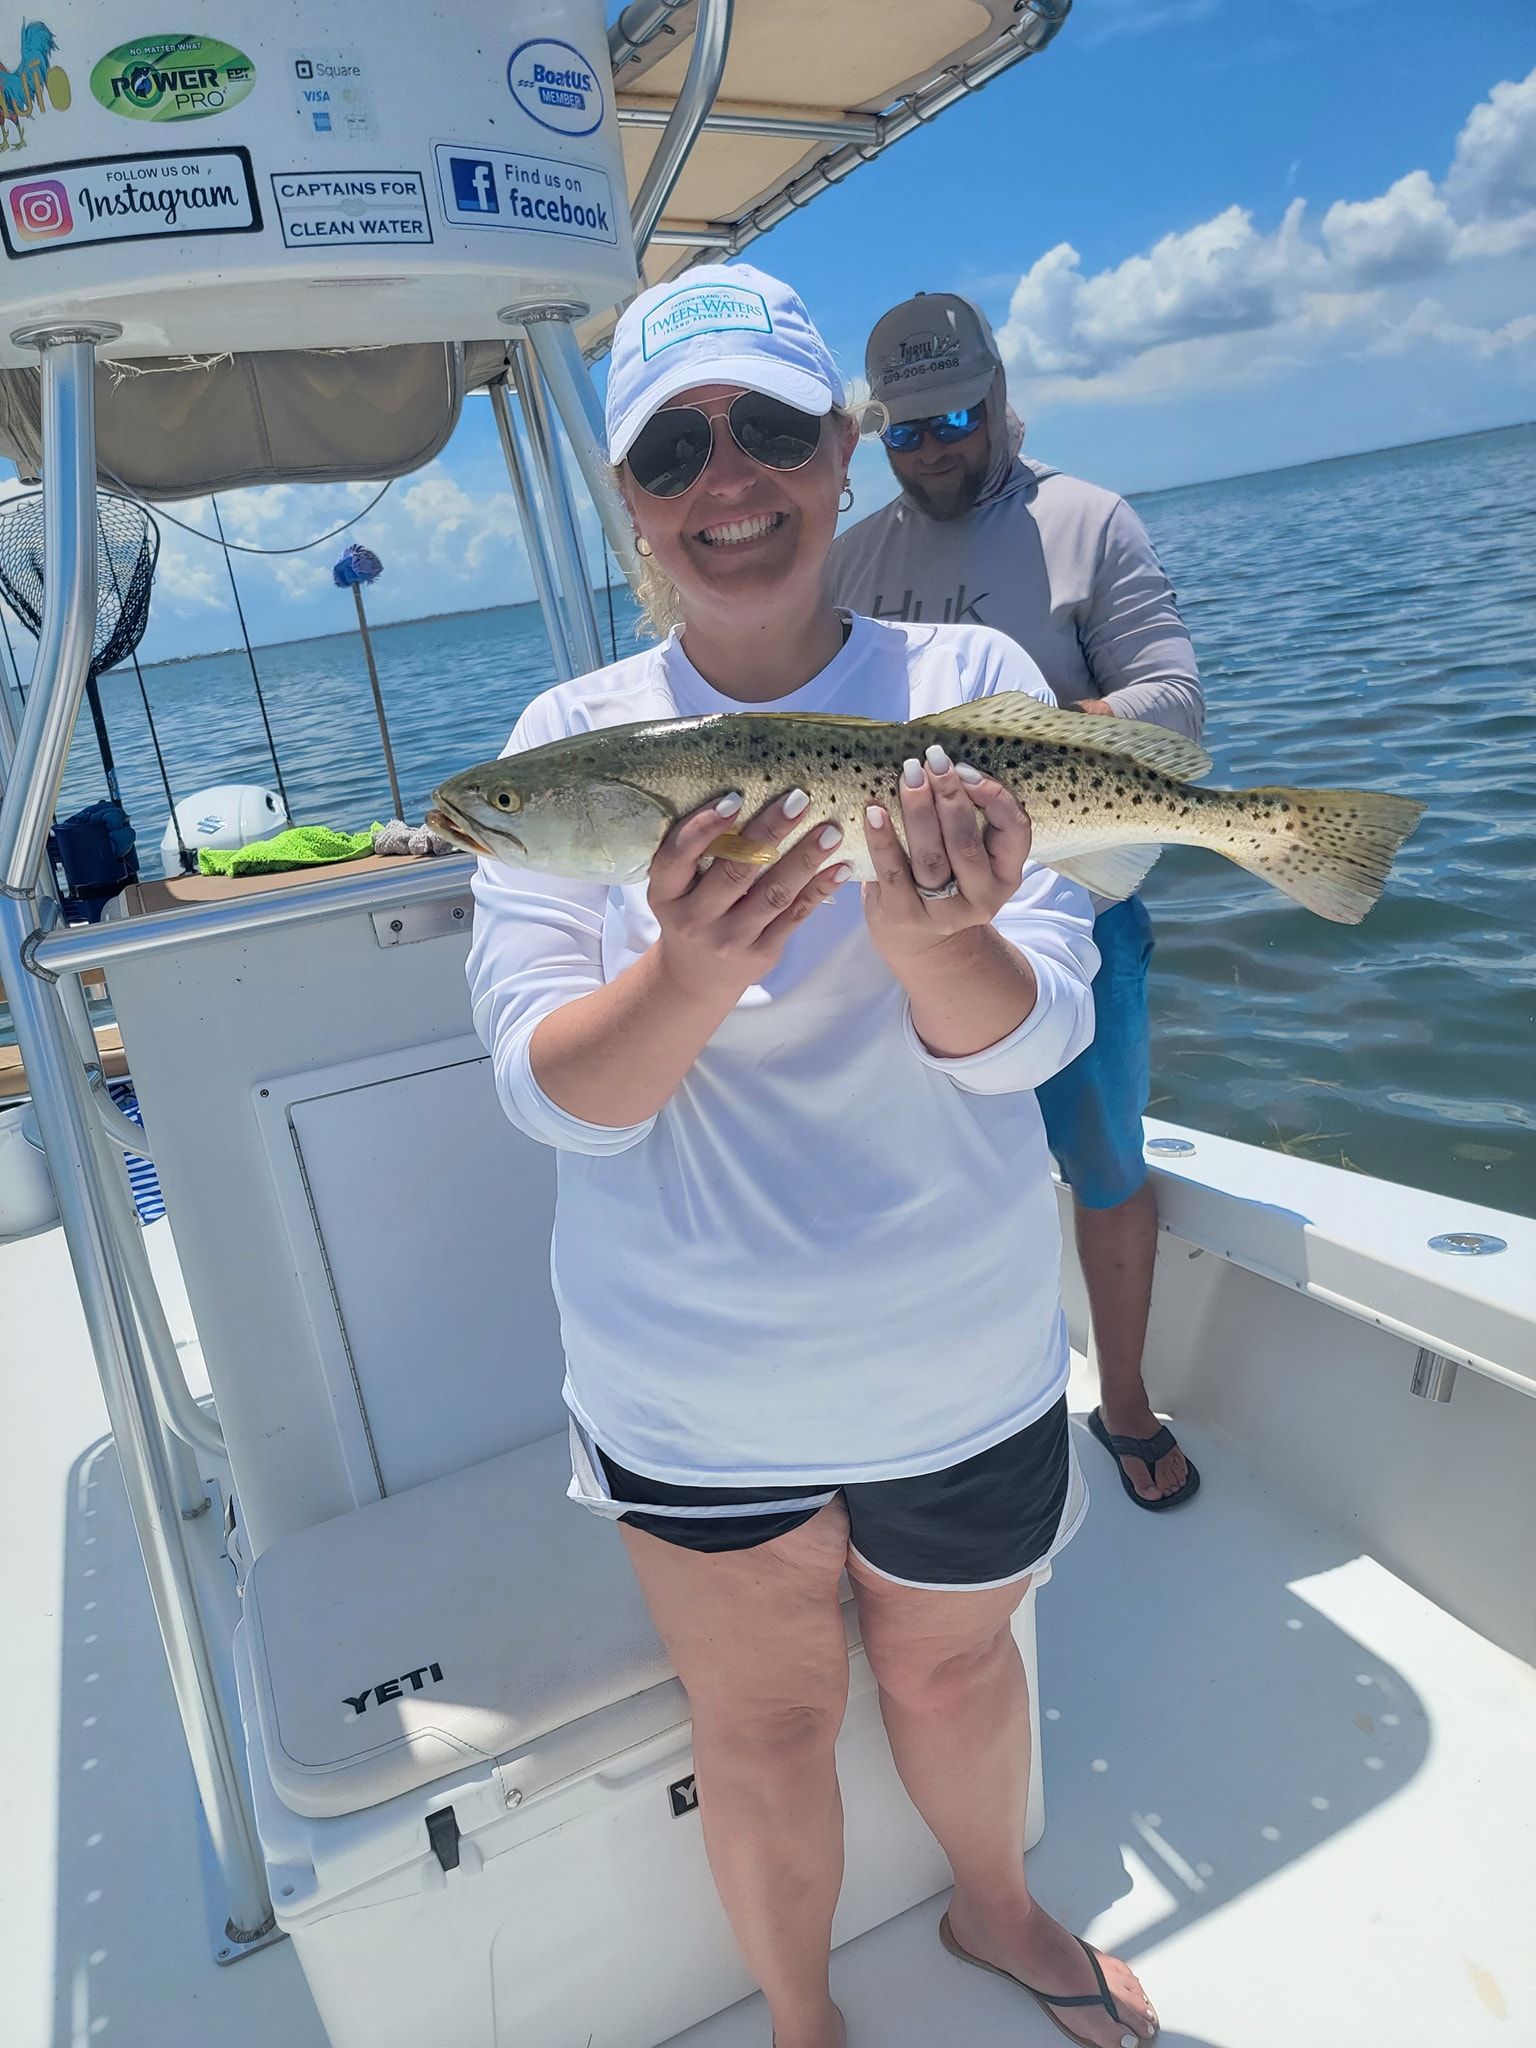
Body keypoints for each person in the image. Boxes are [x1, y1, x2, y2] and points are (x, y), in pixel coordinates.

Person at [467, 263, 1159, 2048]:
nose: (730, 481)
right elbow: (555, 1093)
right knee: (761, 1722)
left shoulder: (971, 681)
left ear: (841, 455)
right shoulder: (566, 752)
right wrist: (690, 967)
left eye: (773, 429)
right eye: (675, 449)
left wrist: (940, 930)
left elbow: (1036, 1037)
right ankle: (801, 2017)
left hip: (960, 1350)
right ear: (629, 495)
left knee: (953, 1661)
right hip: (692, 1381)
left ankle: (997, 1907)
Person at [829, 291, 1204, 1512]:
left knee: (1102, 1163)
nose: (933, 446)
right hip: (900, 934)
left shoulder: (1087, 521)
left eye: (952, 417)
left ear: (994, 395)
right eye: (905, 431)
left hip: (1075, 908)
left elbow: (1175, 709)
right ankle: (945, 1424)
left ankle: (1129, 1399)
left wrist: (1012, 747)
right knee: (916, 1176)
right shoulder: (856, 559)